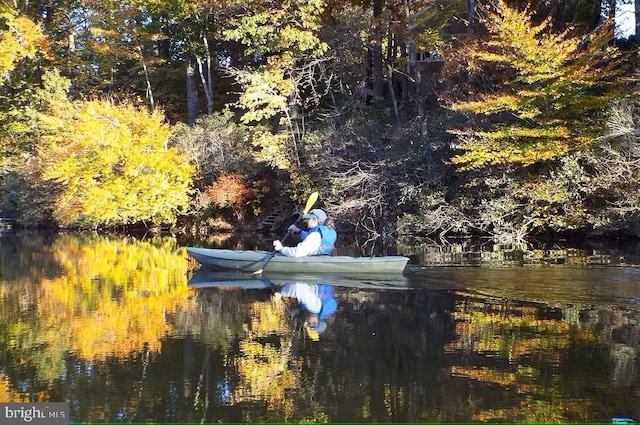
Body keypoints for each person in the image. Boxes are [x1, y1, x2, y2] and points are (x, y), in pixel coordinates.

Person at [273, 282, 337, 341]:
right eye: (312, 324)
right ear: (317, 320)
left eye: (309, 324)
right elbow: (297, 287)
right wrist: (280, 292)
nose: (308, 322)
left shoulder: (303, 312)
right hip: (317, 278)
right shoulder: (316, 308)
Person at [273, 208, 337, 257]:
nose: (306, 221)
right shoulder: (328, 231)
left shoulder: (315, 235)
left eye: (308, 219)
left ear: (314, 220)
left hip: (313, 261)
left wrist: (281, 248)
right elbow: (310, 239)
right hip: (323, 257)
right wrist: (299, 231)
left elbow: (297, 253)